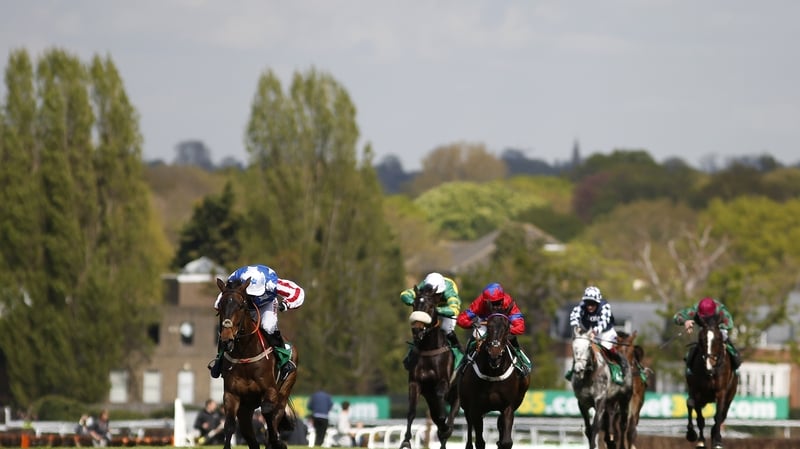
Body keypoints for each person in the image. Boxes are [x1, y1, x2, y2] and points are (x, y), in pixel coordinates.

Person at [208, 264, 305, 380]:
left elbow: (298, 292)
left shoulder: (272, 283)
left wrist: (286, 304)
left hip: (266, 304)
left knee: (268, 326)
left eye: (255, 294)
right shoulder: (233, 279)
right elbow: (222, 299)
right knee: (227, 325)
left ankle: (283, 359)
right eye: (251, 295)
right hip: (242, 304)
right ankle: (220, 360)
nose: (254, 297)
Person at [455, 282, 531, 376]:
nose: (496, 306)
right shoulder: (480, 302)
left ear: (503, 298)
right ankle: (465, 362)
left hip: (502, 326)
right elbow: (461, 319)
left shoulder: (508, 302)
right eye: (492, 303)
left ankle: (522, 362)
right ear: (486, 301)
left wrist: (505, 330)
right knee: (476, 335)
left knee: (512, 338)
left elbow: (520, 327)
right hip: (485, 324)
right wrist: (472, 324)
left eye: (498, 302)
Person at [400, 272, 463, 369]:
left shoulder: (449, 289)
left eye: (436, 295)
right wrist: (414, 302)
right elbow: (404, 294)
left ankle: (459, 354)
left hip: (444, 309)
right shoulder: (424, 286)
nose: (433, 297)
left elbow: (454, 310)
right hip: (429, 308)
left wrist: (436, 310)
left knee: (446, 329)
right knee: (420, 327)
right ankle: (411, 354)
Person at [567, 285, 627, 381]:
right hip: (590, 333)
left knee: (607, 349)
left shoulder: (605, 306)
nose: (589, 306)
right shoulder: (581, 306)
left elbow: (603, 322)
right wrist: (576, 326)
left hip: (606, 333)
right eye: (588, 303)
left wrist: (595, 331)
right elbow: (574, 315)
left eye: (593, 303)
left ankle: (617, 370)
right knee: (581, 348)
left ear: (598, 302)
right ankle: (573, 369)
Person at [673, 296, 742, 371]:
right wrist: (685, 321)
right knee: (689, 357)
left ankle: (734, 370)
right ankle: (690, 371)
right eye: (703, 317)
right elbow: (677, 316)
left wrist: (715, 328)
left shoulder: (720, 309)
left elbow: (729, 323)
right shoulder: (695, 309)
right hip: (704, 334)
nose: (705, 319)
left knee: (736, 358)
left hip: (719, 331)